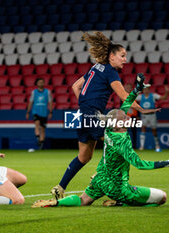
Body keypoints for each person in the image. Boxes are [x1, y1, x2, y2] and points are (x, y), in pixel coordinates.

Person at [32, 82, 169, 208]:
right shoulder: (121, 141)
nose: (127, 116)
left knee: (83, 200)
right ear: (118, 123)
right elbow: (141, 164)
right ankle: (121, 202)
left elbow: (126, 105)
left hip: (100, 179)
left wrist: (136, 90)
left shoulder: (110, 130)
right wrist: (168, 162)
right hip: (118, 187)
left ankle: (56, 203)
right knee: (163, 197)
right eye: (124, 117)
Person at [51, 31, 157, 200]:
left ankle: (60, 187)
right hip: (93, 115)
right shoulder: (110, 72)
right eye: (122, 55)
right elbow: (123, 95)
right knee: (118, 140)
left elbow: (75, 87)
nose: (125, 59)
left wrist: (85, 106)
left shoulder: (95, 67)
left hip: (84, 115)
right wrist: (142, 109)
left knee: (84, 156)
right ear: (111, 56)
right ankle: (102, 178)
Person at [136, 86, 169, 151]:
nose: (146, 91)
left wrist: (167, 92)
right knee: (143, 129)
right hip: (144, 115)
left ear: (149, 90)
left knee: (154, 130)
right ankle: (141, 146)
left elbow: (164, 98)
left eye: (147, 89)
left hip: (152, 115)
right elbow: (130, 99)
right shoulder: (140, 97)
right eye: (144, 89)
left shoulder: (153, 96)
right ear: (143, 90)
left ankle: (157, 146)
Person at [26, 78, 53, 149]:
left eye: (42, 82)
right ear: (37, 83)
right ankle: (38, 138)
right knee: (37, 123)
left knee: (43, 128)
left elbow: (50, 102)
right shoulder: (34, 92)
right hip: (36, 111)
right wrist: (28, 112)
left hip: (44, 113)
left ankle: (41, 143)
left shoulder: (47, 92)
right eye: (39, 82)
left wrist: (50, 112)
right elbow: (31, 102)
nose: (41, 83)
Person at [124, 83, 138, 148]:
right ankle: (126, 145)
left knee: (133, 132)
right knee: (125, 132)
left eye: (130, 87)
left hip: (133, 117)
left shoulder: (134, 96)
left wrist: (137, 116)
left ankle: (134, 146)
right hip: (126, 117)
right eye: (127, 87)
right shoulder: (123, 96)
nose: (128, 89)